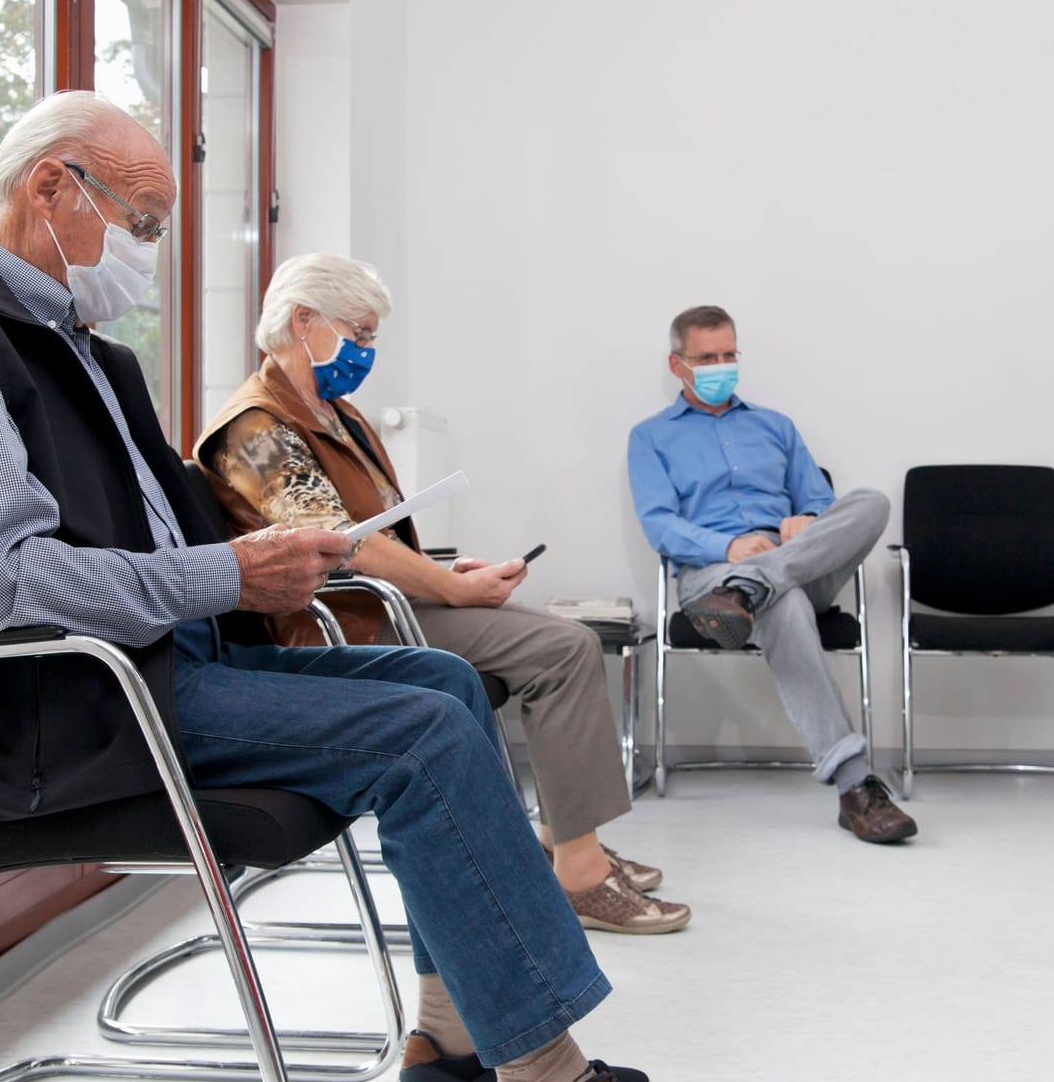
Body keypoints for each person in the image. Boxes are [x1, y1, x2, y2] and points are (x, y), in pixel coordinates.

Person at [0, 90, 759, 1082]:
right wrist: (231, 568)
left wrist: (251, 566)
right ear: (50, 188)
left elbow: (160, 536)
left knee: (439, 681)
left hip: (174, 664)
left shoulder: (83, 350)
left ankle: (455, 1040)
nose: (149, 249)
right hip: (73, 712)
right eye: (140, 219)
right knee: (420, 728)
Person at [196, 254, 690, 936]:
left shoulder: (338, 415)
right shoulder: (252, 430)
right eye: (358, 332)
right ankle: (578, 871)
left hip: (382, 605)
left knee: (555, 642)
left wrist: (450, 571)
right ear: (303, 321)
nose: (366, 350)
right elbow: (342, 544)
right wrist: (454, 591)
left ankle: (567, 839)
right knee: (565, 649)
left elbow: (381, 533)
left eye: (372, 336)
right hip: (340, 629)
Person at [627, 305, 916, 844]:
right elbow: (660, 525)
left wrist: (806, 520)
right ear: (677, 364)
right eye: (706, 357)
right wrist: (729, 545)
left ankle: (753, 586)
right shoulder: (650, 438)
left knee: (871, 502)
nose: (721, 365)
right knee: (782, 602)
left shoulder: (775, 426)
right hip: (711, 577)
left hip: (792, 566)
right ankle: (854, 786)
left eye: (729, 354)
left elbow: (823, 505)